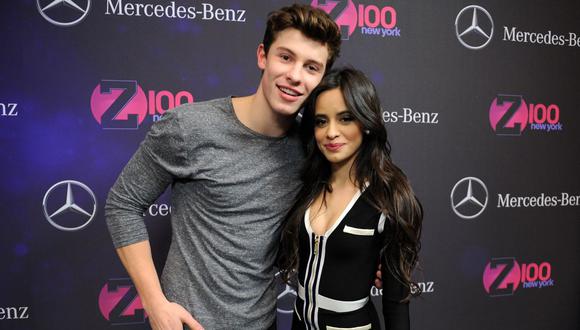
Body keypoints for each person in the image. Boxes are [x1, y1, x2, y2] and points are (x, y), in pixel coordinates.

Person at [104, 4, 341, 330]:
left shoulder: (313, 148)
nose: (295, 76)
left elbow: (333, 220)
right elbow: (122, 204)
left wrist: (365, 263)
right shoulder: (189, 127)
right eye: (285, 57)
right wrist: (154, 302)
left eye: (311, 67)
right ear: (263, 56)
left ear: (321, 78)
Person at [278, 68, 423, 330]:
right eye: (321, 121)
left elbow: (396, 304)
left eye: (345, 118)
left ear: (366, 123)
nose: (331, 132)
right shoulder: (306, 185)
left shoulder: (387, 200)